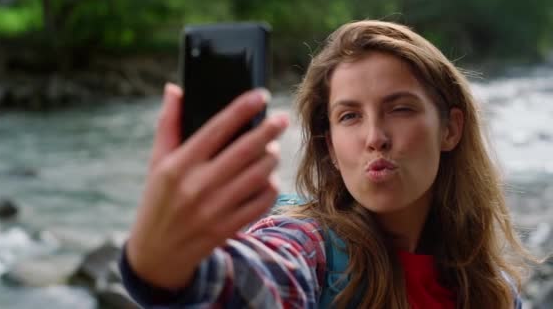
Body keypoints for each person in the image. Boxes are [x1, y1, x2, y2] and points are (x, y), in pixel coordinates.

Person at [119, 20, 532, 308]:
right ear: (330, 147)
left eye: (400, 108)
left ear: (450, 129)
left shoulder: (494, 291)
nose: (375, 137)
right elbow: (261, 278)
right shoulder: (312, 249)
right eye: (349, 116)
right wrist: (161, 265)